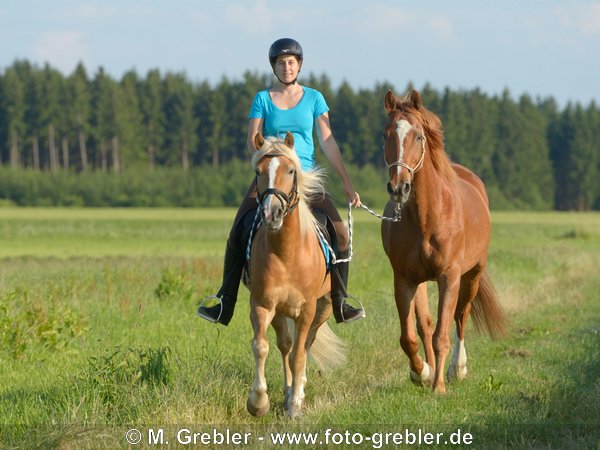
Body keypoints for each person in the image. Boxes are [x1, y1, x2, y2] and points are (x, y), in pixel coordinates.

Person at [197, 38, 365, 326]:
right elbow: (253, 139)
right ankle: (225, 301)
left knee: (341, 233)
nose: (286, 67)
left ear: (299, 65)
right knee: (238, 228)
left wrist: (346, 181)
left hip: (305, 177)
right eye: (280, 63)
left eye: (291, 62)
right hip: (272, 175)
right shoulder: (262, 99)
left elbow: (326, 140)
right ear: (273, 67)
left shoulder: (314, 98)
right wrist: (267, 160)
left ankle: (341, 301)